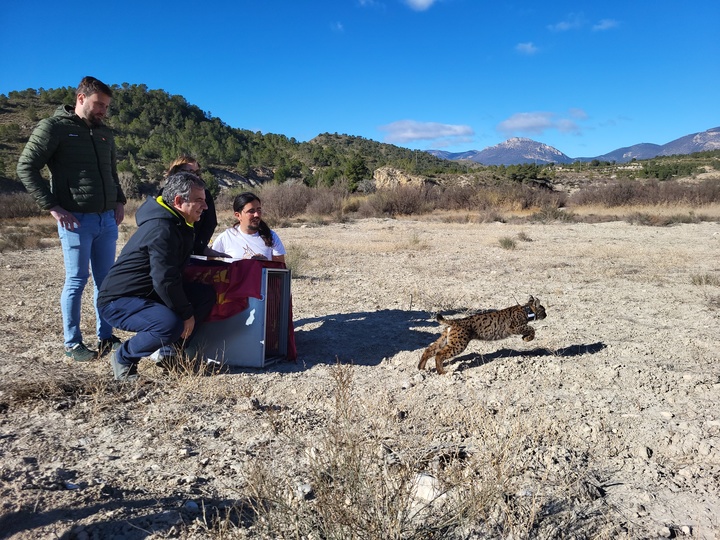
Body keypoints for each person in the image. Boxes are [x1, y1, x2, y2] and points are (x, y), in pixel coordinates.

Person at [16, 76, 126, 362]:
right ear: (80, 98)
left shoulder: (105, 134)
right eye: (98, 104)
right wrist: (52, 206)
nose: (103, 110)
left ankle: (106, 336)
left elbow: (112, 172)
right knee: (77, 280)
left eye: (106, 106)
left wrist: (120, 200)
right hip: (75, 220)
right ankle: (72, 342)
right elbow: (26, 167)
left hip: (106, 220)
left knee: (107, 281)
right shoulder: (53, 128)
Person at [97, 172, 216, 381]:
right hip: (119, 301)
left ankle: (172, 353)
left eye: (205, 201)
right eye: (199, 201)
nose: (205, 207)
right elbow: (165, 279)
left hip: (149, 293)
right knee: (169, 325)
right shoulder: (163, 229)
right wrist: (186, 314)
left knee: (203, 295)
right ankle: (124, 357)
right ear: (179, 201)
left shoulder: (179, 223)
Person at [164, 155, 221, 256]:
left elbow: (210, 223)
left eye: (197, 173)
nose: (195, 176)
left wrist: (200, 247)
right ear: (175, 172)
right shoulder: (164, 195)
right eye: (190, 172)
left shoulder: (205, 194)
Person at [211, 192, 286, 262]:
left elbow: (279, 271)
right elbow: (210, 264)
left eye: (259, 210)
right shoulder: (226, 237)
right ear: (238, 215)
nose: (256, 215)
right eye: (251, 211)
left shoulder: (271, 237)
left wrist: (264, 263)